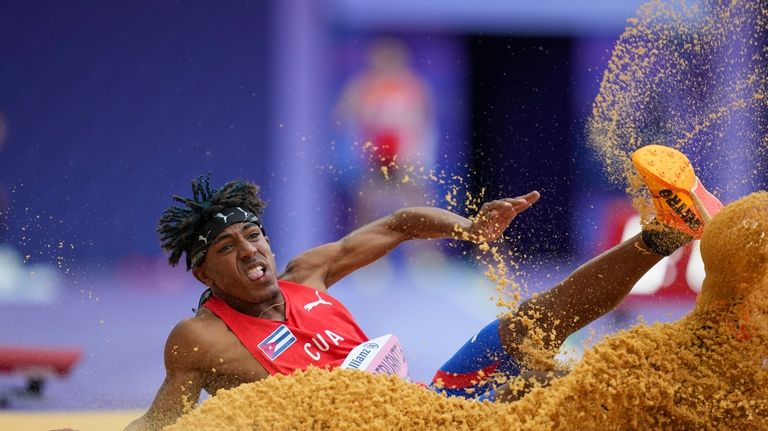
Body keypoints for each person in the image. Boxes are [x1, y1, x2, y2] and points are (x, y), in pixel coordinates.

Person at [126, 145, 722, 430]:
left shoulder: (307, 273)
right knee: (540, 392)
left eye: (252, 236)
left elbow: (397, 224)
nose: (249, 252)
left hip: (426, 408)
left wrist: (469, 227)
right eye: (226, 250)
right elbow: (161, 424)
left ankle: (666, 235)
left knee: (525, 334)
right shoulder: (201, 338)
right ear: (204, 275)